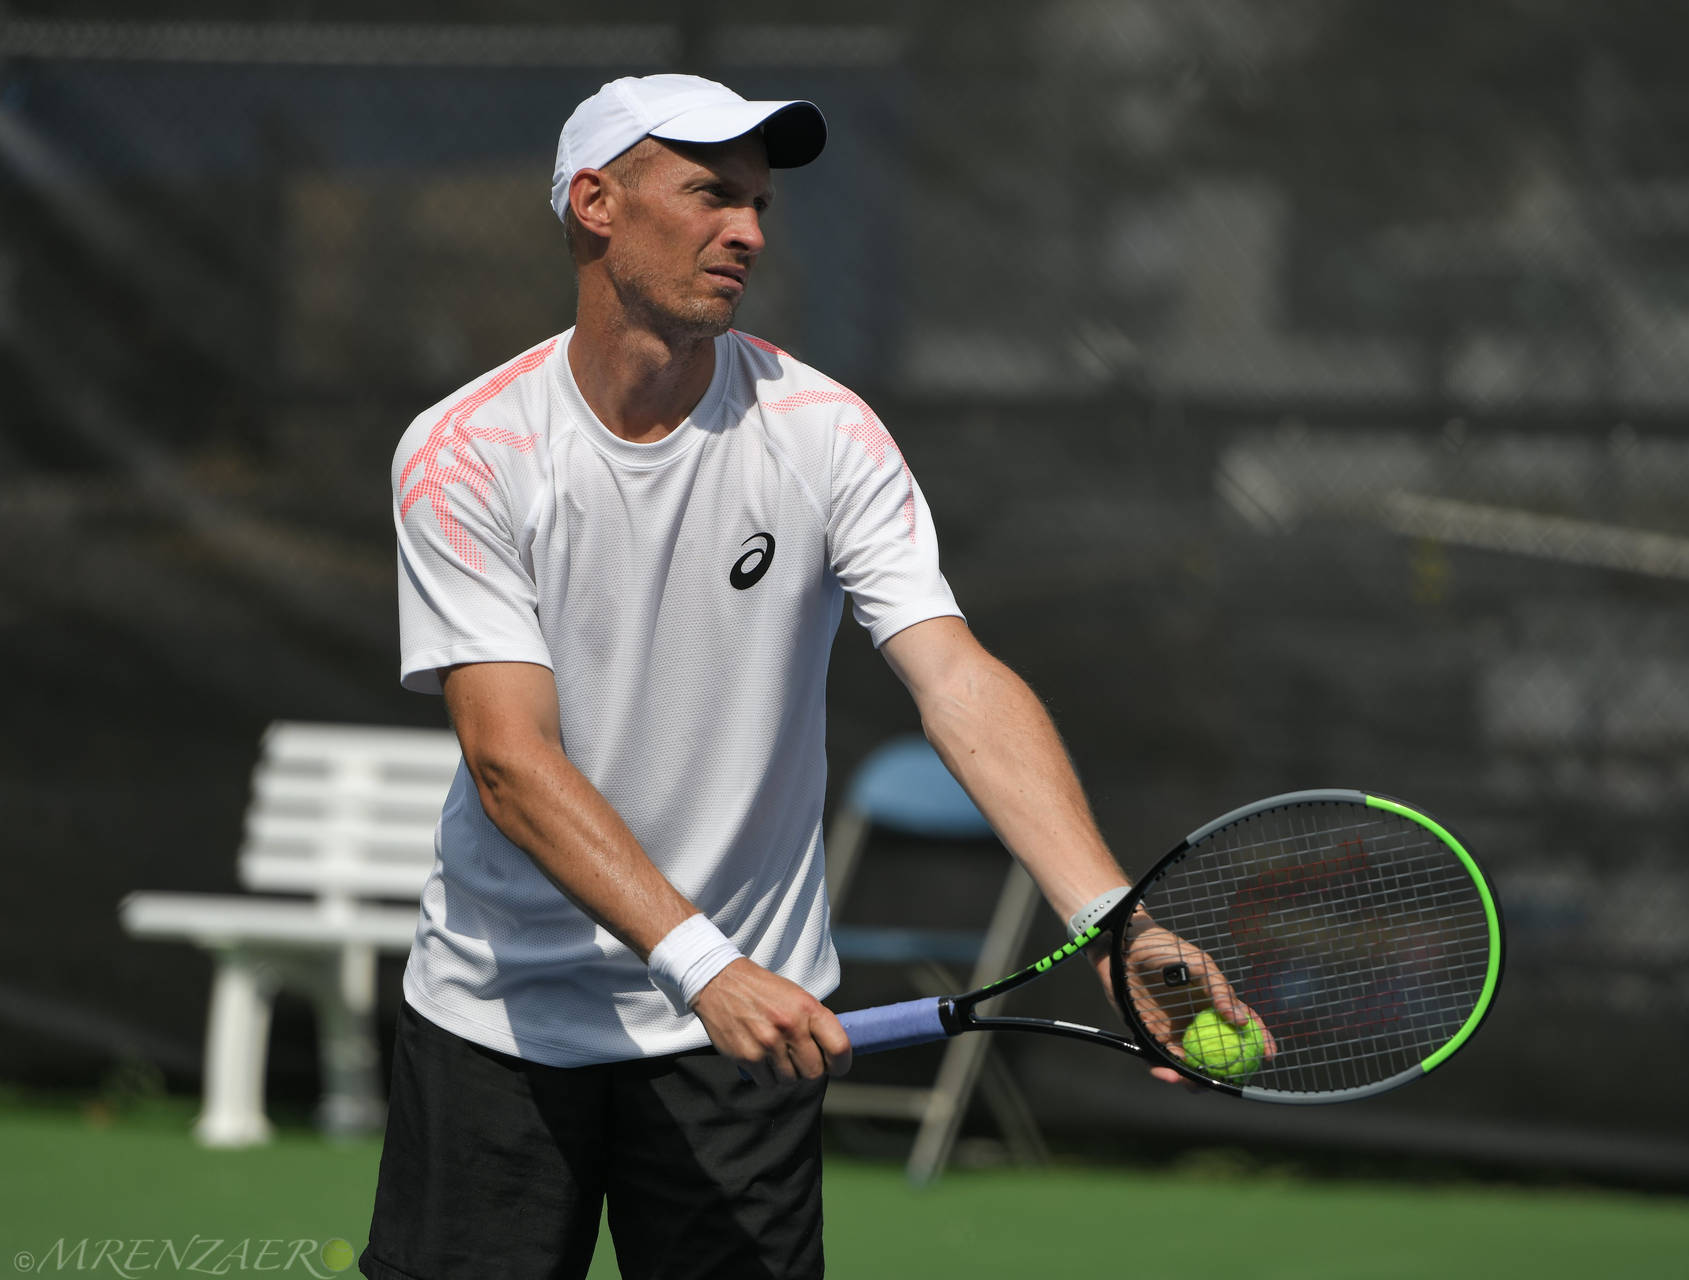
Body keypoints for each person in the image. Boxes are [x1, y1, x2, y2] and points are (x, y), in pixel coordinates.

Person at [361, 73, 1229, 1280]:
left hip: (747, 1039)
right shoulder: (469, 451)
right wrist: (699, 963)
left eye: (762, 204)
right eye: (712, 194)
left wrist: (1107, 912)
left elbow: (957, 680)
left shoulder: (824, 431)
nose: (751, 232)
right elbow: (510, 758)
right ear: (597, 204)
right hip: (501, 1025)